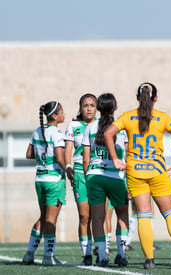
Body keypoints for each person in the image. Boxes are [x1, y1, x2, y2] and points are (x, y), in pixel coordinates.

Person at [104, 82, 171, 269]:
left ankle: (149, 260)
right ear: (155, 98)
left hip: (135, 172)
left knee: (144, 216)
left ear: (138, 98)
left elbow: (108, 133)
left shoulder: (128, 116)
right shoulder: (162, 117)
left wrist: (115, 158)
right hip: (157, 171)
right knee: (170, 214)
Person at [82, 93, 129, 267]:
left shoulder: (90, 127)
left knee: (98, 219)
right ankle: (121, 254)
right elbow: (128, 156)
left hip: (95, 176)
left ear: (98, 109)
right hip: (116, 177)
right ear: (115, 108)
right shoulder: (122, 128)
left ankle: (102, 256)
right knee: (122, 215)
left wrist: (88, 177)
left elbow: (86, 159)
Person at [22, 101, 66, 266]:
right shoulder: (57, 133)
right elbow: (60, 159)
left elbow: (28, 154)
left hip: (40, 179)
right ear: (55, 116)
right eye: (62, 111)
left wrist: (43, 156)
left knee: (43, 217)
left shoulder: (37, 131)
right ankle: (48, 256)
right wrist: (69, 170)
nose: (64, 114)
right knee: (51, 220)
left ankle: (29, 254)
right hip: (54, 180)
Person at [64, 93, 97, 265]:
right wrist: (68, 167)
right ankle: (87, 254)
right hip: (79, 172)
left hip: (98, 173)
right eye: (85, 105)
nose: (89, 108)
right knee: (85, 216)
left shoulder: (102, 125)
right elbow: (67, 149)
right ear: (80, 107)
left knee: (100, 216)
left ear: (97, 107)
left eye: (92, 105)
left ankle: (102, 251)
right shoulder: (73, 125)